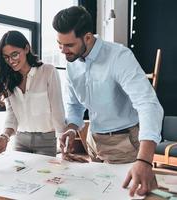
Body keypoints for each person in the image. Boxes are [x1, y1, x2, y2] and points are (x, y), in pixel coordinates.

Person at [52, 6, 163, 197]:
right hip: (93, 141)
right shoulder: (72, 63)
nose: (63, 51)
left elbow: (148, 104)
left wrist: (145, 160)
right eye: (59, 44)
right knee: (95, 194)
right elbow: (75, 106)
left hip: (125, 142)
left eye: (68, 45)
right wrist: (71, 128)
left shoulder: (119, 56)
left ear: (87, 37)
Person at [0, 30, 66, 158]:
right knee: (19, 177)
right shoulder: (8, 79)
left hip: (46, 141)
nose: (11, 61)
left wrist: (63, 144)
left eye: (15, 54)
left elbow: (57, 109)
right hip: (20, 140)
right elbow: (12, 114)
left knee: (42, 177)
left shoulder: (48, 71)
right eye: (6, 57)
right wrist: (5, 136)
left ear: (26, 48)